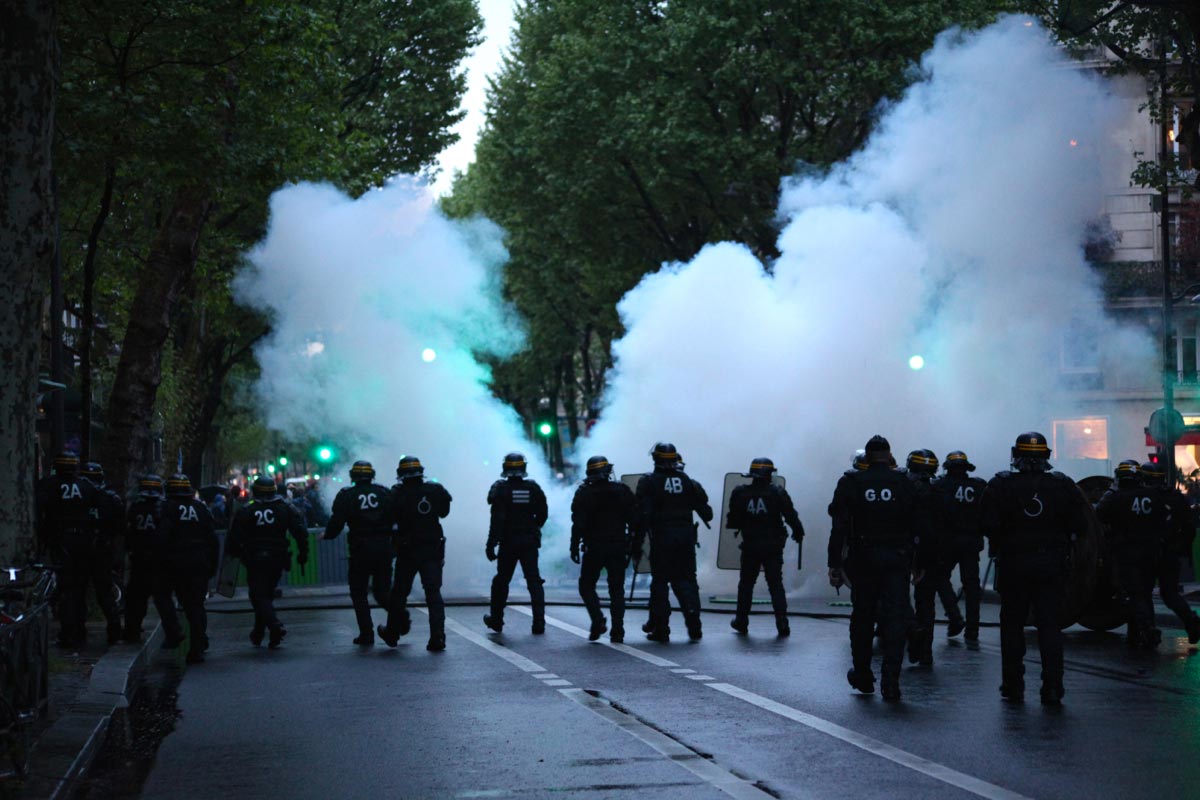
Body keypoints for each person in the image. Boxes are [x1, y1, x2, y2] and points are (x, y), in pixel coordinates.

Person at [980, 432, 1089, 705]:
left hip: (1014, 564)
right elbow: (1081, 526)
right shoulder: (1063, 486)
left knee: (1012, 626)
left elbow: (986, 524)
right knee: (1050, 626)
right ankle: (1053, 686)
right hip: (1051, 565)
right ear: (1046, 456)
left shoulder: (1000, 484)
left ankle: (1013, 684)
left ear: (1016, 455)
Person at [828, 435, 923, 701]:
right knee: (895, 619)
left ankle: (863, 675)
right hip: (897, 559)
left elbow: (839, 528)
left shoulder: (851, 482)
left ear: (867, 458)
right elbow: (919, 526)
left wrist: (834, 564)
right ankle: (891, 681)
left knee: (862, 618)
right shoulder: (905, 482)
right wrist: (918, 563)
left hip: (864, 559)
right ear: (889, 455)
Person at [36, 453, 124, 647]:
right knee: (98, 590)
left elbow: (39, 513)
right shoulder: (89, 489)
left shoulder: (48, 485)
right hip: (87, 543)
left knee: (71, 590)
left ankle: (72, 633)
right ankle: (112, 631)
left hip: (62, 542)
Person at [635, 442, 713, 643]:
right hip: (686, 538)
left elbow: (643, 515)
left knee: (660, 582)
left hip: (662, 538)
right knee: (687, 580)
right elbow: (708, 513)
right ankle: (694, 622)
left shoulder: (649, 482)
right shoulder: (687, 481)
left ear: (656, 459)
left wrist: (636, 543)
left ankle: (661, 628)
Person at [378, 456, 452, 652]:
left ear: (401, 475)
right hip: (431, 550)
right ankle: (438, 638)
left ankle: (392, 633)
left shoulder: (397, 493)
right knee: (433, 594)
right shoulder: (435, 490)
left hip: (407, 551)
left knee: (399, 594)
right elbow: (444, 512)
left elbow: (386, 516)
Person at [226, 476, 308, 648]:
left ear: (254, 491)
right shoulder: (284, 508)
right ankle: (260, 633)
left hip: (254, 558)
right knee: (265, 594)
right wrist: (303, 553)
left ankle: (273, 625)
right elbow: (300, 532)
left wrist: (235, 554)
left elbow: (234, 538)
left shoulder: (246, 510)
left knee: (258, 595)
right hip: (277, 557)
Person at [727, 457, 804, 637]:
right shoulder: (777, 493)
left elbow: (732, 521)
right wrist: (798, 531)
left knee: (746, 584)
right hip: (773, 546)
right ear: (768, 475)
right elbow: (791, 515)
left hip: (750, 545)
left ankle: (741, 620)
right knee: (775, 584)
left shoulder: (739, 493)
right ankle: (782, 622)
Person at [323, 461, 394, 645]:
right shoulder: (384, 493)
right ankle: (400, 621)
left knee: (358, 592)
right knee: (383, 591)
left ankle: (366, 633)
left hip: (360, 550)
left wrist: (327, 535)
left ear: (352, 476)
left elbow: (337, 522)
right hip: (383, 548)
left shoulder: (347, 495)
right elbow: (397, 518)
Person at [1095, 460, 1164, 650]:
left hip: (1126, 551)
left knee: (1132, 593)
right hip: (1150, 552)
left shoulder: (1117, 497)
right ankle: (1136, 634)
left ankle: (1146, 629)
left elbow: (1100, 514)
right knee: (1145, 592)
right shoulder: (1153, 495)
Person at [570, 455, 638, 643]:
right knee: (617, 589)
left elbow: (578, 523)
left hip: (594, 547)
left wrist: (574, 545)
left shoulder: (584, 493)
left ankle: (597, 619)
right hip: (617, 545)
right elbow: (634, 520)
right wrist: (634, 544)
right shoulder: (622, 490)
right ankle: (618, 630)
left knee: (586, 586)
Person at [904, 449, 961, 666]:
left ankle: (915, 639)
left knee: (899, 599)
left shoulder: (905, 488)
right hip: (936, 553)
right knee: (926, 604)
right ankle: (925, 651)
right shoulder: (943, 490)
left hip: (909, 552)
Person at [484, 453, 549, 634]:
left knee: (501, 581)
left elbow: (496, 520)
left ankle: (496, 620)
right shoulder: (533, 488)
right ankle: (539, 623)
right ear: (523, 468)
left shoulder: (500, 489)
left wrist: (491, 544)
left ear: (505, 469)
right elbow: (543, 514)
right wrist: (533, 528)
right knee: (534, 582)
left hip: (508, 542)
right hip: (529, 542)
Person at [158, 474, 219, 664]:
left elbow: (162, 537)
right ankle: (198, 647)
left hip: (174, 564)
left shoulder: (166, 508)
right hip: (199, 563)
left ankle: (175, 632)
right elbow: (213, 540)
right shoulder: (201, 509)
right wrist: (212, 566)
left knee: (162, 596)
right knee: (196, 606)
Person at [931, 451, 988, 641]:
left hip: (946, 543)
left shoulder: (939, 486)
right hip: (971, 543)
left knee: (940, 578)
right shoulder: (979, 486)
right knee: (972, 585)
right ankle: (973, 629)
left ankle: (954, 617)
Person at [1141, 460, 1200, 643]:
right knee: (1170, 594)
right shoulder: (1176, 497)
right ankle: (1192, 623)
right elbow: (1189, 527)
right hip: (1170, 554)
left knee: (1142, 593)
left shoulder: (1144, 497)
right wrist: (1178, 547)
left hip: (1147, 552)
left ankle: (1148, 632)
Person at [123, 474, 166, 643]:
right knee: (161, 597)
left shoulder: (135, 507)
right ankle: (172, 632)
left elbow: (128, 531)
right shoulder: (162, 508)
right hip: (158, 559)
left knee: (135, 597)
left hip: (139, 557)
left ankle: (132, 629)